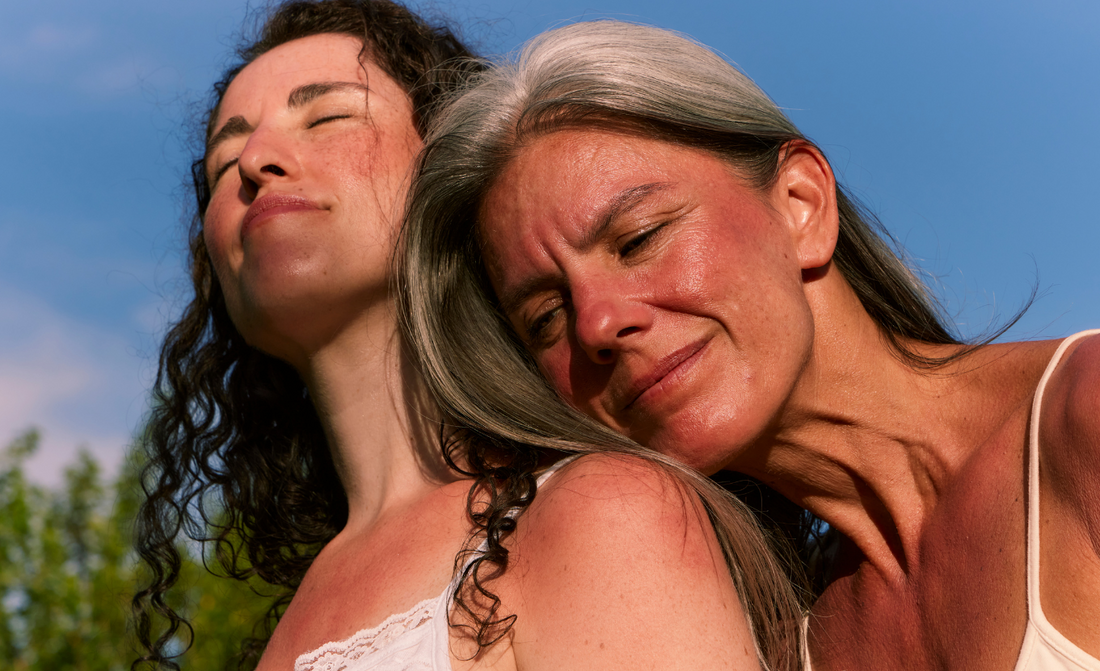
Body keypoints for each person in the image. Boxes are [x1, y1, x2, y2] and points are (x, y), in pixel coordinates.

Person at [400, 19, 1100, 671]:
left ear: (801, 205)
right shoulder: (774, 644)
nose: (596, 325)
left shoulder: (1085, 416)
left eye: (639, 237)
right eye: (546, 317)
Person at [134, 3, 804, 670]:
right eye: (225, 162)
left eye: (327, 116)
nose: (256, 160)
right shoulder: (294, 612)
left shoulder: (601, 513)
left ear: (449, 171)